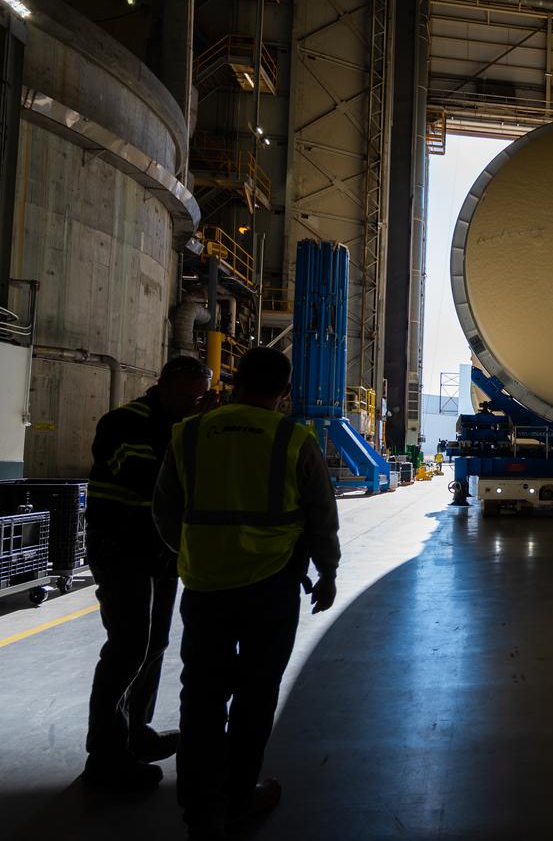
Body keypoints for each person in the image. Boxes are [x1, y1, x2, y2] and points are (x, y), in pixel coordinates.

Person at [152, 347, 340, 839]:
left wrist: (197, 551)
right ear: (285, 392)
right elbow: (322, 517)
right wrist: (328, 572)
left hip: (206, 585)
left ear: (235, 384)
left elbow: (165, 512)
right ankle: (238, 799)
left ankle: (198, 806)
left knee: (202, 696)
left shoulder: (188, 433)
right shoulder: (294, 439)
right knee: (256, 696)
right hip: (271, 587)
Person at [84, 356, 212, 792]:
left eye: (197, 398)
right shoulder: (126, 422)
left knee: (154, 643)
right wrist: (192, 433)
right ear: (163, 386)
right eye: (185, 396)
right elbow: (146, 478)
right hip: (120, 547)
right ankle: (105, 754)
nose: (190, 404)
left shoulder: (179, 426)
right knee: (127, 645)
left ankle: (135, 729)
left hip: (158, 549)